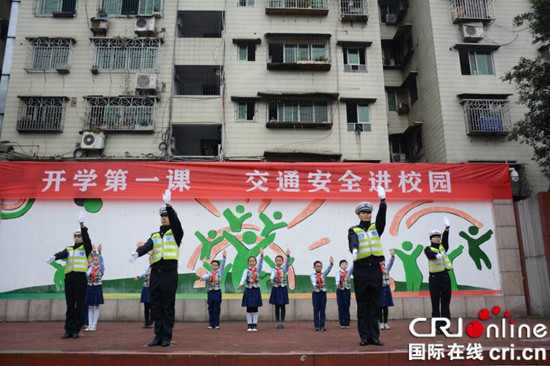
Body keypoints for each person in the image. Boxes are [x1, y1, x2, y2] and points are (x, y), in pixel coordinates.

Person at [129, 190, 184, 347]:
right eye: (163, 216)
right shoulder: (154, 235)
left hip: (169, 273)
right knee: (156, 306)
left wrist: (169, 206)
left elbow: (177, 223)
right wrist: (136, 253)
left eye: (167, 215)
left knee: (168, 306)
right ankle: (157, 336)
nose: (165, 217)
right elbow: (147, 246)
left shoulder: (176, 233)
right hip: (156, 274)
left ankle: (166, 336)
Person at [348, 186, 386, 346]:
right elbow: (352, 241)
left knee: (374, 303)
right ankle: (364, 336)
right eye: (363, 212)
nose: (366, 215)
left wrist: (382, 202)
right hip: (361, 269)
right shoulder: (353, 229)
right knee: (363, 304)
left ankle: (374, 336)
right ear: (358, 214)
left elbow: (382, 218)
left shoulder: (376, 227)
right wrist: (354, 249)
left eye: (368, 212)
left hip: (375, 269)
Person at [46, 211, 92, 339]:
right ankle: (68, 330)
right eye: (75, 236)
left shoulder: (85, 248)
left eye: (79, 236)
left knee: (79, 305)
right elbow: (62, 253)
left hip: (80, 279)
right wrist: (54, 257)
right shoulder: (69, 249)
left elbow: (87, 240)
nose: (77, 238)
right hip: (70, 279)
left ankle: (76, 329)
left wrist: (82, 225)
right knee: (70, 306)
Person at [424, 217, 452, 335]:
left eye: (438, 237)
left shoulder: (443, 247)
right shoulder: (428, 248)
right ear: (431, 239)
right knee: (435, 304)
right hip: (434, 279)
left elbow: (445, 240)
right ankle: (438, 327)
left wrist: (447, 229)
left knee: (445, 303)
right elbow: (430, 255)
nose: (437, 238)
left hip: (445, 277)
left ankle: (445, 327)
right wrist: (436, 255)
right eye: (434, 237)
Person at [237, 248, 264, 332]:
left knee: (255, 308)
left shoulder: (258, 270)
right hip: (248, 289)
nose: (252, 262)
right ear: (248, 262)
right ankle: (249, 324)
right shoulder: (246, 270)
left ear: (255, 262)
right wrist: (241, 283)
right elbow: (243, 277)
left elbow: (260, 264)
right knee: (249, 308)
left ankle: (255, 325)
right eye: (250, 261)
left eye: (253, 261)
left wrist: (262, 256)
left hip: (256, 290)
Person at [200, 250, 227, 329]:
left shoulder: (220, 273)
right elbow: (206, 277)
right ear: (211, 266)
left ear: (218, 266)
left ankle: (216, 323)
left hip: (217, 291)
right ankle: (211, 323)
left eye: (216, 265)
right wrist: (203, 278)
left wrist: (224, 257)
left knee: (217, 307)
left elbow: (223, 266)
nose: (214, 266)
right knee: (210, 307)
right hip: (210, 291)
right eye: (213, 265)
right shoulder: (209, 273)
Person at [269, 249, 291, 329]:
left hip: (283, 288)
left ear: (282, 262)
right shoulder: (273, 269)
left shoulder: (284, 269)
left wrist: (288, 257)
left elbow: (287, 265)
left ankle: (282, 321)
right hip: (276, 288)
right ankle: (278, 321)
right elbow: (272, 274)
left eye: (280, 260)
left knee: (283, 306)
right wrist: (271, 279)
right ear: (275, 261)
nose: (278, 262)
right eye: (277, 260)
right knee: (277, 306)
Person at [310, 256, 333, 331]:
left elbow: (328, 270)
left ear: (322, 267)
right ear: (314, 267)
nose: (319, 268)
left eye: (320, 266)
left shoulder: (323, 274)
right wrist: (314, 284)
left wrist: (331, 264)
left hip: (323, 292)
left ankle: (322, 325)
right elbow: (313, 280)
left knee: (322, 309)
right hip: (316, 293)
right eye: (317, 266)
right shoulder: (312, 275)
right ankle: (316, 326)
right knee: (316, 309)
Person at [85, 244, 105, 331]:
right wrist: (93, 252)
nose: (95, 261)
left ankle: (94, 325)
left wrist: (99, 253)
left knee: (95, 306)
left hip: (97, 287)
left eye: (96, 260)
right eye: (94, 260)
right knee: (90, 306)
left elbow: (101, 262)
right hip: (90, 287)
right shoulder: (91, 268)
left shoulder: (101, 269)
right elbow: (87, 274)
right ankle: (89, 325)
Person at [135, 255, 153, 328]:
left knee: (153, 307)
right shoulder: (148, 269)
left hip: (153, 289)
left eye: (152, 259)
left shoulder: (157, 268)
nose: (151, 260)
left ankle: (151, 321)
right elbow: (143, 272)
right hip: (146, 288)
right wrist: (138, 276)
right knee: (146, 307)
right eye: (150, 259)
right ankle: (146, 322)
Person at [379, 249, 395, 330]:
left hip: (386, 288)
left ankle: (386, 323)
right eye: (380, 261)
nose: (382, 262)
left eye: (382, 261)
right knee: (380, 307)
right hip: (379, 289)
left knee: (386, 306)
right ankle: (381, 323)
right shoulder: (376, 270)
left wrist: (392, 256)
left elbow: (390, 263)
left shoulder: (386, 269)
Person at [335, 259, 353, 329]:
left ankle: (347, 322)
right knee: (341, 306)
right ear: (340, 266)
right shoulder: (338, 273)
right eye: (342, 264)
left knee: (347, 306)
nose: (344, 265)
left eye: (345, 264)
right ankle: (342, 322)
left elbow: (353, 268)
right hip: (340, 290)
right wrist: (337, 283)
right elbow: (337, 278)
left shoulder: (349, 272)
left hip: (347, 290)